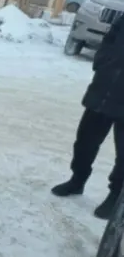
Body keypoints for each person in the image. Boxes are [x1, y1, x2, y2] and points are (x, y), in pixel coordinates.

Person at [52, 14, 124, 220]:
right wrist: (102, 63)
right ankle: (77, 180)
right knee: (85, 141)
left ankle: (115, 195)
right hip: (103, 89)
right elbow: (109, 40)